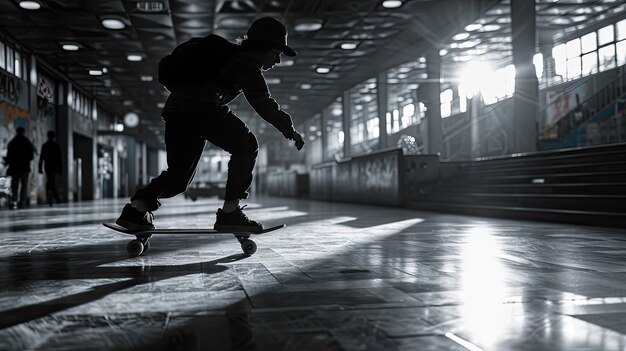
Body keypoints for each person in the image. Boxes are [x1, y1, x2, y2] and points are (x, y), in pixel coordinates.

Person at [116, 17, 305, 231]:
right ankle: (230, 213)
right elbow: (263, 102)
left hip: (176, 112)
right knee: (247, 146)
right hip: (203, 110)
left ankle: (135, 209)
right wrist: (290, 130)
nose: (278, 60)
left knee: (178, 178)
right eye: (277, 53)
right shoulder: (246, 63)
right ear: (264, 46)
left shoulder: (228, 56)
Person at [6, 126, 35, 209]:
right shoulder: (27, 142)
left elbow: (9, 156)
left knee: (14, 185)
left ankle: (13, 200)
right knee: (24, 185)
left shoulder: (12, 143)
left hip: (14, 168)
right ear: (23, 132)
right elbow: (31, 156)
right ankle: (22, 202)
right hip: (25, 168)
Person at [39, 130, 63, 206]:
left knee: (50, 180)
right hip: (54, 166)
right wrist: (60, 169)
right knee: (52, 180)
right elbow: (60, 159)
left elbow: (41, 158)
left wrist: (40, 167)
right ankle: (55, 196)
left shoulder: (45, 146)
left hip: (47, 166)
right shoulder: (56, 146)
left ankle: (51, 196)